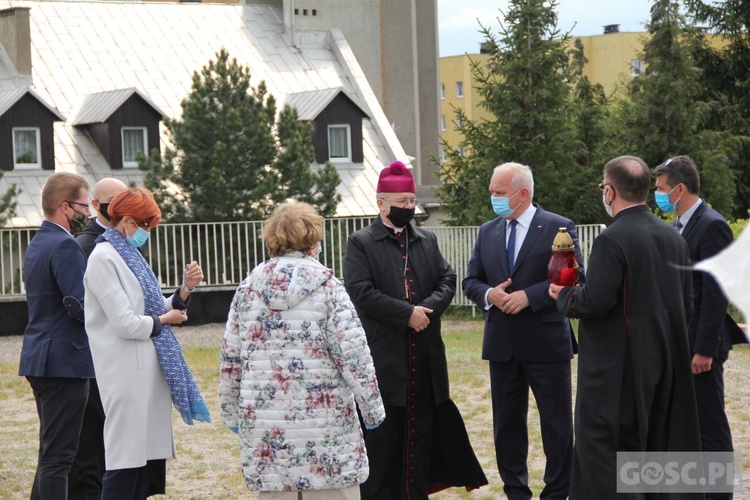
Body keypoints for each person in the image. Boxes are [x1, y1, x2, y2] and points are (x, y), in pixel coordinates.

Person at [549, 155, 701, 498]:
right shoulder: (673, 237)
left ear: (609, 191)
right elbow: (685, 302)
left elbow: (595, 301)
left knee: (602, 448)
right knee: (651, 446)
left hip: (617, 367)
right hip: (662, 359)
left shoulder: (612, 239)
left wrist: (564, 296)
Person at [219, 202, 385, 499]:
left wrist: (232, 413)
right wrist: (372, 410)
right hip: (325, 427)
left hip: (268, 430)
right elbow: (354, 355)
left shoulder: (247, 289)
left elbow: (231, 360)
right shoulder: (329, 288)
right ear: (313, 240)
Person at [344, 161, 487, 499]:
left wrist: (428, 311)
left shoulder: (426, 238)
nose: (409, 207)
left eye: (412, 200)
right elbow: (361, 291)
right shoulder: (361, 242)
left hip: (424, 359)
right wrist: (406, 314)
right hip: (385, 357)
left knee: (421, 436)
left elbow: (447, 279)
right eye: (402, 201)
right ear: (381, 203)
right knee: (383, 441)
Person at [463, 162, 582, 500]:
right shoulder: (488, 231)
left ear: (524, 193)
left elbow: (572, 277)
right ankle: (516, 491)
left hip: (546, 342)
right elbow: (471, 280)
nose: (493, 198)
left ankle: (558, 491)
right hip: (502, 344)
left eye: (499, 193)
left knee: (557, 425)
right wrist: (490, 295)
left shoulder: (558, 227)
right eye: (492, 192)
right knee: (507, 427)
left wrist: (528, 297)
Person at [83, 187, 210, 499]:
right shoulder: (103, 258)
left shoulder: (128, 254)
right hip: (125, 373)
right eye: (145, 226)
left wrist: (184, 290)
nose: (147, 233)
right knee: (124, 462)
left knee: (143, 464)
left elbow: (151, 309)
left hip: (145, 371)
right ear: (127, 220)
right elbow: (126, 323)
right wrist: (165, 321)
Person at [654, 156, 745, 500]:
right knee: (684, 423)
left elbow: (717, 292)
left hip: (700, 347)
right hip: (678, 342)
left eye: (662, 189)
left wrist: (704, 348)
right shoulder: (677, 225)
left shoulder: (711, 224)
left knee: (710, 424)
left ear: (680, 188)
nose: (658, 196)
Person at [18, 172, 95, 499]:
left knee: (50, 454)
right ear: (65, 207)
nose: (89, 213)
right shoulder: (65, 244)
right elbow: (80, 305)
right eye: (84, 205)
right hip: (64, 362)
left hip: (40, 358)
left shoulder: (39, 241)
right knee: (59, 458)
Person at [68, 177, 127, 500]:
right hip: (95, 358)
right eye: (113, 201)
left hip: (111, 357)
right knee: (91, 442)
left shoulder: (120, 241)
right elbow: (83, 306)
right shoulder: (89, 246)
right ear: (96, 205)